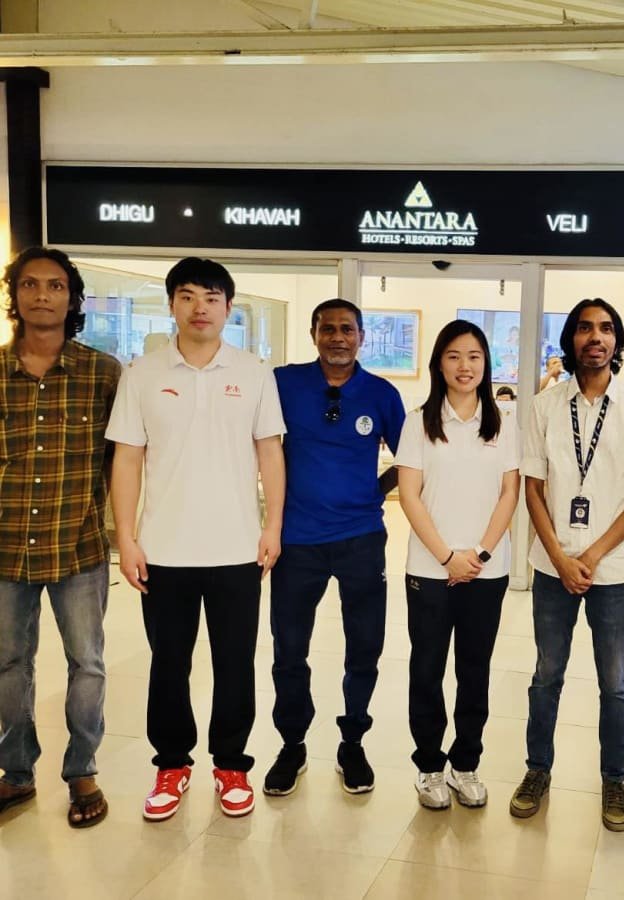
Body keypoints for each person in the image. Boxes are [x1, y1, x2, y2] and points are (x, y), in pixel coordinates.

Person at [108, 257, 286, 821]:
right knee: (168, 664)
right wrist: (127, 537)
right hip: (163, 550)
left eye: (211, 297)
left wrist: (272, 527)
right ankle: (171, 764)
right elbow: (127, 458)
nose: (200, 308)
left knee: (235, 663)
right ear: (171, 305)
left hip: (237, 548)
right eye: (187, 296)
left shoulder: (254, 372)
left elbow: (270, 452)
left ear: (229, 307)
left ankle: (231, 764)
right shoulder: (142, 374)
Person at [511, 298, 624, 832]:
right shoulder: (545, 406)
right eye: (584, 328)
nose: (595, 337)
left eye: (606, 328)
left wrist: (591, 555)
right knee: (546, 675)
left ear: (617, 341)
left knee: (615, 683)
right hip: (553, 568)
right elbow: (533, 486)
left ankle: (614, 779)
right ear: (570, 339)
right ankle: (537, 770)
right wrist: (558, 555)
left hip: (611, 572)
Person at [262, 299, 405, 797]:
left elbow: (412, 459)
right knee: (289, 649)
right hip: (297, 541)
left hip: (361, 539)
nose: (338, 338)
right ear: (314, 334)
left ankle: (353, 742)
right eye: (328, 329)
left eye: (347, 329)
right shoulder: (283, 383)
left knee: (364, 647)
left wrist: (376, 490)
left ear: (361, 336)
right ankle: (292, 743)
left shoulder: (381, 394)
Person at [0, 248, 121, 828]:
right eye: (29, 284)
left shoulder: (103, 373)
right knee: (8, 663)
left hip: (79, 546)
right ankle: (16, 770)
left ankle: (82, 770)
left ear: (72, 299)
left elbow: (121, 461)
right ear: (15, 295)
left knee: (87, 663)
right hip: (4, 546)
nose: (42, 295)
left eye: (54, 285)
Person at [395, 320, 520, 809]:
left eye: (474, 356)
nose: (464, 366)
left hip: (486, 572)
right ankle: (429, 765)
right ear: (439, 364)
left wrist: (480, 554)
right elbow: (409, 494)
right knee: (426, 669)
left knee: (474, 670)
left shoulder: (503, 423)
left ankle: (465, 763)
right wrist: (448, 556)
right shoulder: (418, 422)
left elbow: (509, 493)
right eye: (453, 356)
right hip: (430, 570)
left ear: (486, 363)